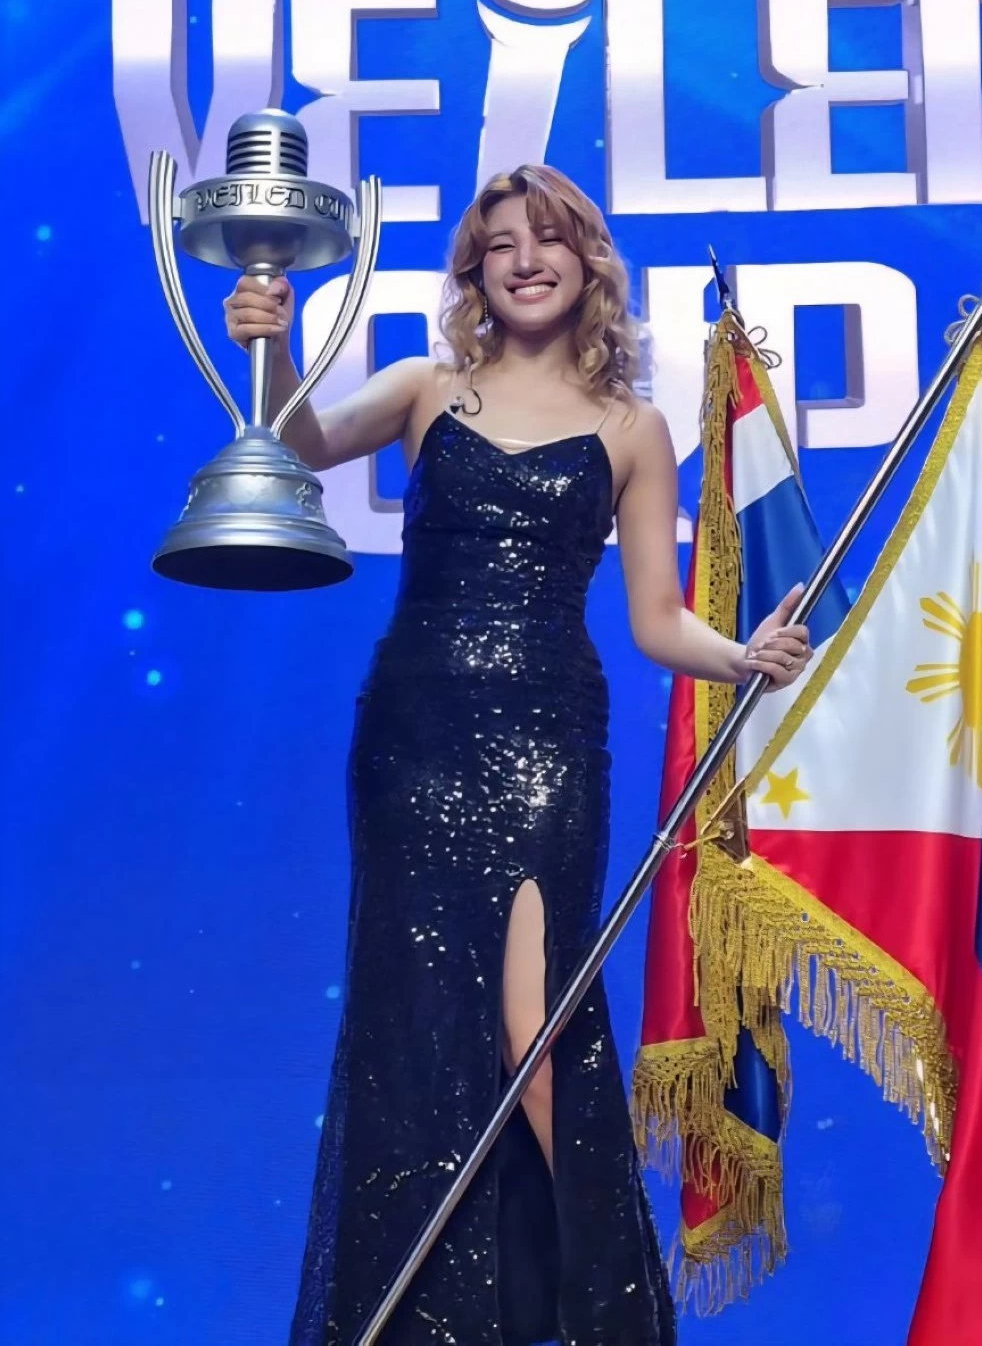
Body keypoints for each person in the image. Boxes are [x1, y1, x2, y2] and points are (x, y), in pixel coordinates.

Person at [225, 164, 813, 1346]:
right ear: (475, 270)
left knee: (537, 1034)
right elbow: (299, 443)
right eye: (501, 243)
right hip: (414, 740)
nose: (526, 259)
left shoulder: (631, 427)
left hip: (550, 743)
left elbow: (656, 620)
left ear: (587, 263)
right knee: (415, 1027)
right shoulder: (425, 388)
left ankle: (605, 1322)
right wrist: (273, 345)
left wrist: (741, 655)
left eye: (548, 239)